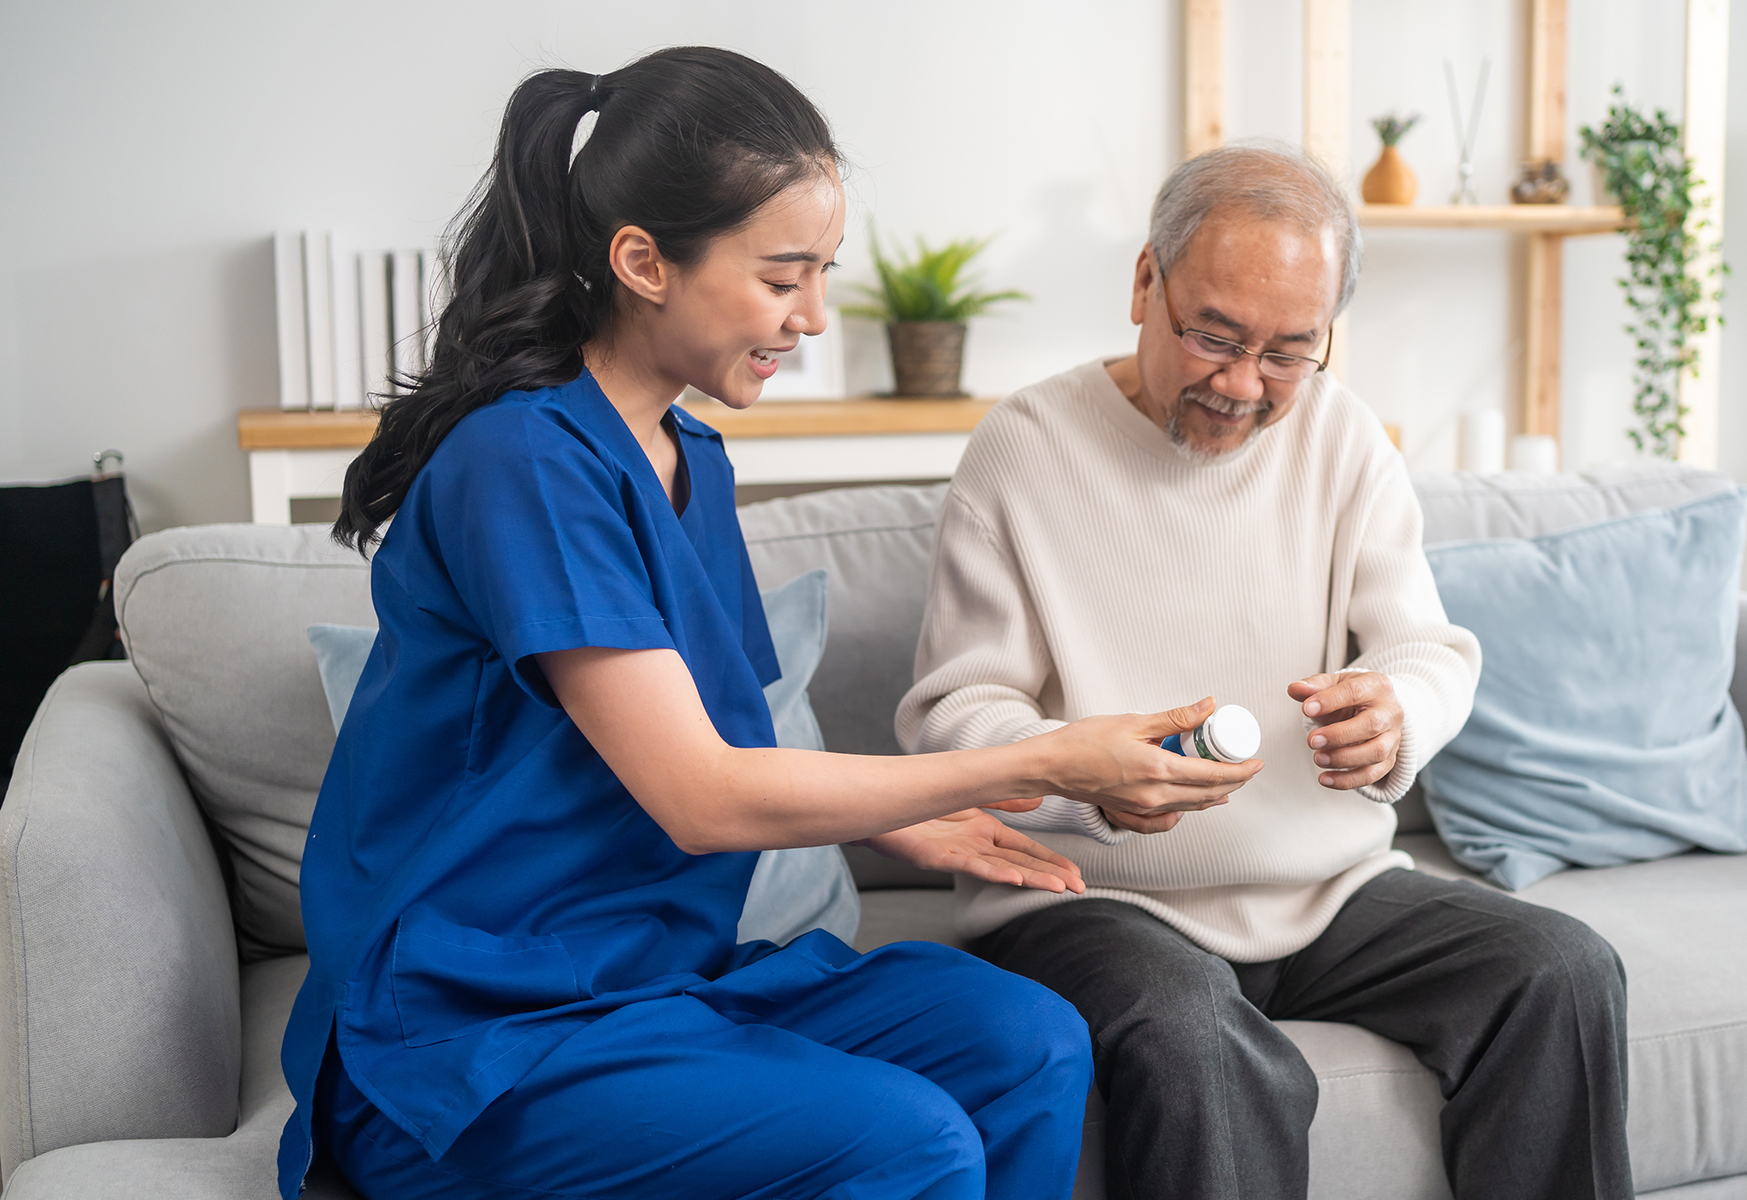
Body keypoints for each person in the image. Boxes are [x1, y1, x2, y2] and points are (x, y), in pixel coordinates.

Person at [279, 47, 1260, 1200]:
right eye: (782, 275)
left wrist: (898, 831)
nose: (811, 315)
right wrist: (1035, 756)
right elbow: (701, 796)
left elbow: (733, 743)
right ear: (643, 261)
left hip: (649, 986)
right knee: (908, 1138)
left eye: (823, 272)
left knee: (1026, 1041)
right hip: (471, 1038)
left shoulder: (690, 455)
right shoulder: (524, 460)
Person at [897, 143, 1634, 1200]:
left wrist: (1396, 713)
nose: (1243, 386)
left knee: (1561, 970)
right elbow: (952, 714)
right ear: (1146, 282)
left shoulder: (1341, 438)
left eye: (1290, 351)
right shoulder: (1022, 448)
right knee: (1196, 1035)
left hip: (1329, 893)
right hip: (1087, 900)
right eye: (1215, 337)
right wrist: (1077, 772)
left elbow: (1424, 649)